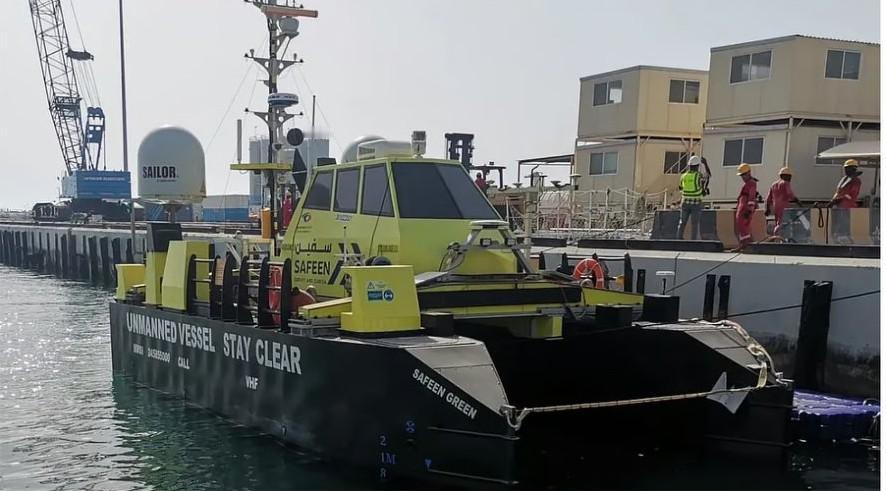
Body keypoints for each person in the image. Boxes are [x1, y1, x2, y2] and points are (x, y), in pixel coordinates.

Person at [765, 167, 802, 236]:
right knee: (784, 224)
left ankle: (777, 237)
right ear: (784, 176)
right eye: (789, 176)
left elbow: (768, 198)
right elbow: (790, 194)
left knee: (777, 222)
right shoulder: (785, 183)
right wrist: (798, 201)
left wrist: (767, 209)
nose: (790, 178)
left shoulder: (773, 184)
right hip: (784, 207)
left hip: (775, 207)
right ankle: (780, 237)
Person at [677, 155, 704, 240]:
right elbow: (704, 183)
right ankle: (693, 241)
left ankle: (679, 239)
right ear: (697, 166)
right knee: (695, 224)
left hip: (685, 202)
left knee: (682, 222)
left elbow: (680, 188)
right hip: (696, 202)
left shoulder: (683, 176)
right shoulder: (698, 175)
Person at [735, 163, 758, 248]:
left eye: (744, 175)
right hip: (743, 207)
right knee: (742, 226)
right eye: (741, 175)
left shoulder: (751, 183)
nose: (743, 177)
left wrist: (749, 210)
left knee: (743, 226)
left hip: (745, 208)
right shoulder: (749, 183)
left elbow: (751, 197)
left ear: (748, 173)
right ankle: (744, 244)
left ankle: (746, 244)